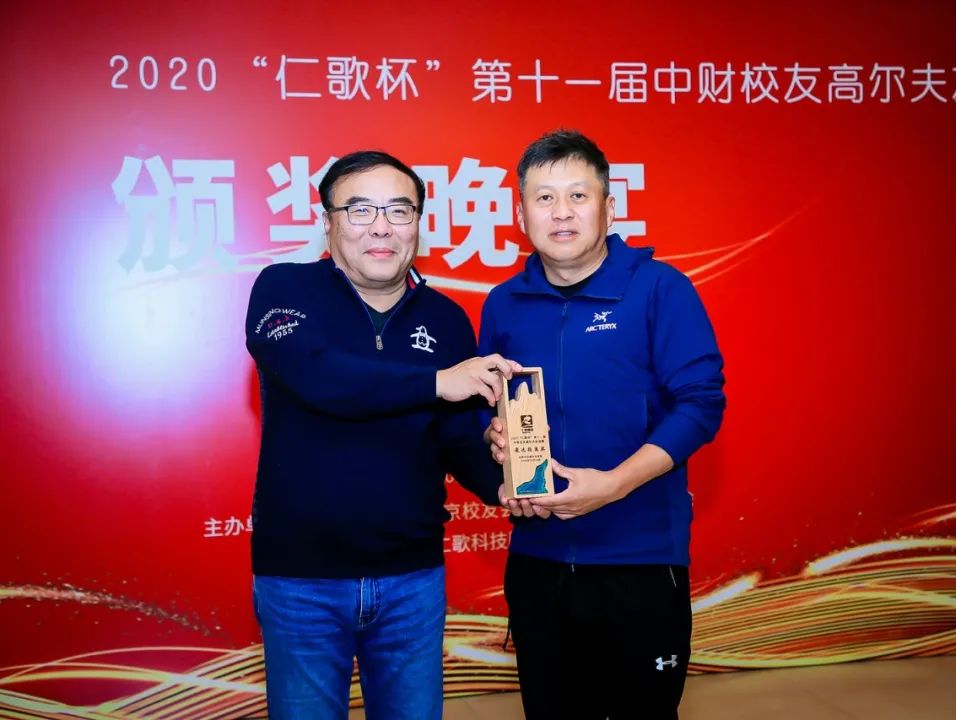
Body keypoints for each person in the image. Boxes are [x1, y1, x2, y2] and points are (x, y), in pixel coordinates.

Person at [245, 150, 518, 720]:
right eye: (360, 209)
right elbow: (319, 378)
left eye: (399, 210)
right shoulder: (283, 290)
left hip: (412, 580)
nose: (381, 227)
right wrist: (437, 381)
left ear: (418, 223)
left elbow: (454, 436)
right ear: (327, 221)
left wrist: (509, 482)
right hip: (301, 581)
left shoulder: (445, 319)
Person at [480, 130, 726, 719]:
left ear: (609, 208)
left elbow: (700, 405)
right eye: (544, 198)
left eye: (578, 195)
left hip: (640, 558)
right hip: (538, 558)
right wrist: (495, 438)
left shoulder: (660, 289)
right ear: (521, 215)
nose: (561, 212)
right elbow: (491, 409)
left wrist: (613, 484)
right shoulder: (502, 304)